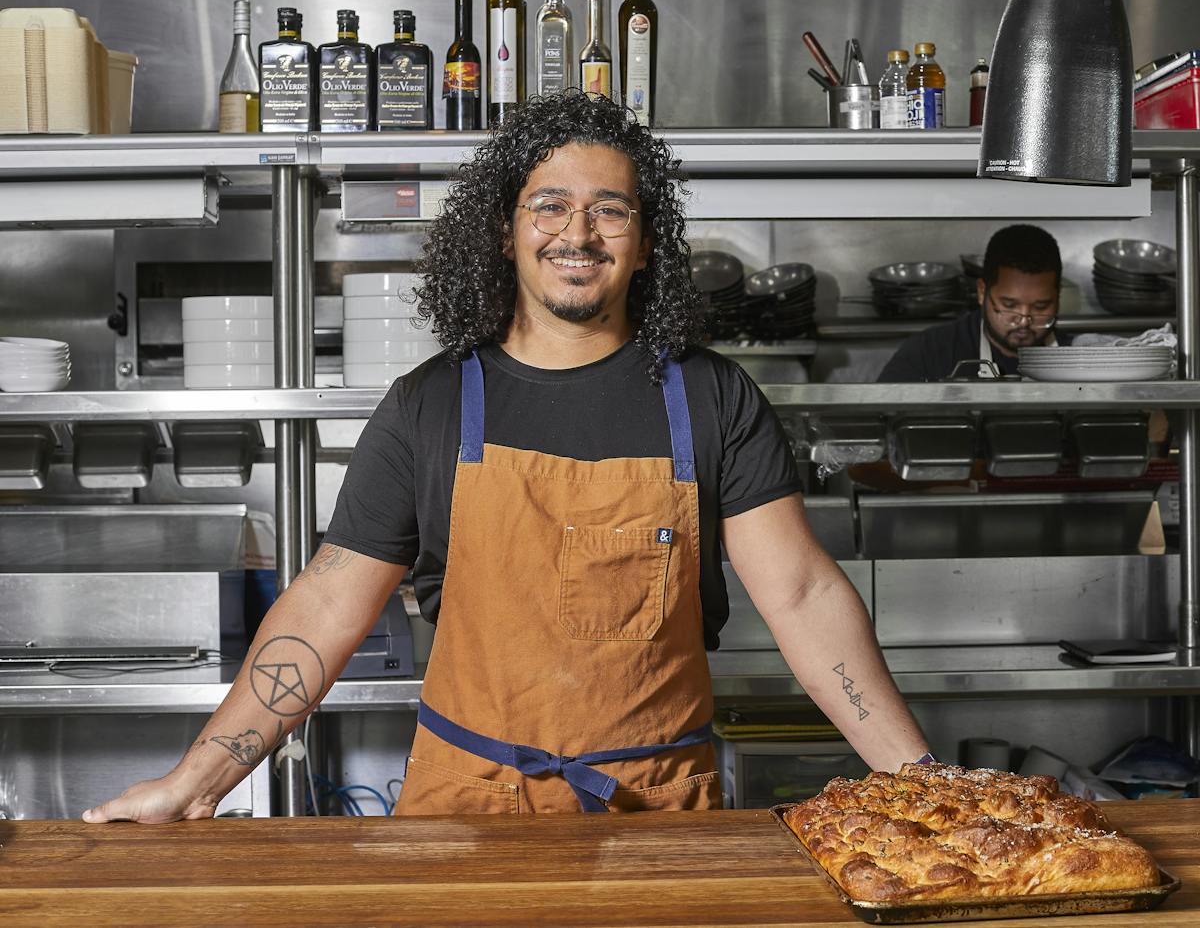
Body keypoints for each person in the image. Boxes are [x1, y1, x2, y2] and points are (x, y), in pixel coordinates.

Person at [83, 91, 930, 822]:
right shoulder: (432, 402)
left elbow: (805, 595)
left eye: (610, 209)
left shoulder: (711, 396)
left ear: (644, 239)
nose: (579, 232)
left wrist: (920, 781)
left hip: (656, 814)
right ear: (506, 229)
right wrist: (198, 782)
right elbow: (325, 605)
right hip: (469, 810)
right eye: (549, 205)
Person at [878, 224, 1070, 382]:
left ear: (1058, 296)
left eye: (1040, 307)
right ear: (982, 292)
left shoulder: (1076, 355)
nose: (1024, 321)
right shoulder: (929, 353)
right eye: (1009, 305)